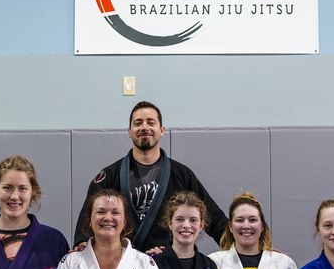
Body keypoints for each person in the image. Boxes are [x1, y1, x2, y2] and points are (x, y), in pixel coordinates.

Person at [73, 101, 227, 252]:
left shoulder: (181, 174)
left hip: (167, 259)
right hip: (123, 259)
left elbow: (212, 215)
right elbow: (90, 212)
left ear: (162, 130)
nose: (144, 127)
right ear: (129, 131)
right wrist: (81, 241)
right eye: (138, 123)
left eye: (151, 122)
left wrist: (232, 245)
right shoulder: (110, 175)